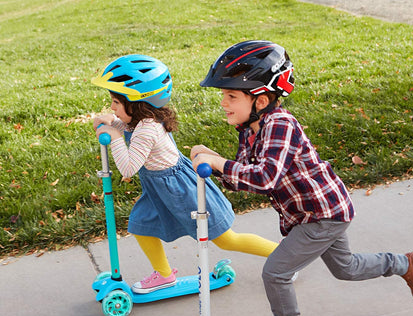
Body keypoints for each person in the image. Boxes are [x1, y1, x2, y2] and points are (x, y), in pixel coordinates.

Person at [191, 40, 413, 316]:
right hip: (318, 211)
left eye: (231, 96)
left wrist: (218, 164)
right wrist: (216, 162)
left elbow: (265, 178)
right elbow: (245, 177)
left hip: (321, 214)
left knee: (275, 272)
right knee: (347, 268)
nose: (223, 103)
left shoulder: (280, 125)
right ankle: (404, 263)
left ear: (259, 98)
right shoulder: (250, 129)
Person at [91, 54, 277, 294]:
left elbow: (128, 168)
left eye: (116, 102)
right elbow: (129, 129)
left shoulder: (147, 130)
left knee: (226, 239)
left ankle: (281, 256)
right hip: (160, 188)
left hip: (180, 189)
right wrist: (114, 123)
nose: (112, 108)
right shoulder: (143, 120)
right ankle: (165, 275)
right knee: (140, 225)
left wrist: (115, 136)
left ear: (136, 103)